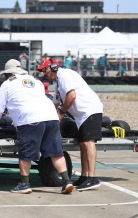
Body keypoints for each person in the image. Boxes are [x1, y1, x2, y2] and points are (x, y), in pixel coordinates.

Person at [0, 59, 74, 194]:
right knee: (56, 152)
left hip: (30, 119)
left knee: (26, 154)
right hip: (51, 116)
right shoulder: (36, 81)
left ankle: (24, 184)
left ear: (7, 74)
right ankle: (66, 181)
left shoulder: (7, 84)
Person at [37, 58, 103, 191]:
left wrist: (61, 113)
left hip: (89, 110)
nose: (44, 73)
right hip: (81, 115)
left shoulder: (64, 74)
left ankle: (92, 177)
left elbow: (71, 96)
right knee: (83, 144)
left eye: (45, 70)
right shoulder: (58, 82)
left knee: (89, 142)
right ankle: (85, 176)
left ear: (54, 67)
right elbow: (58, 102)